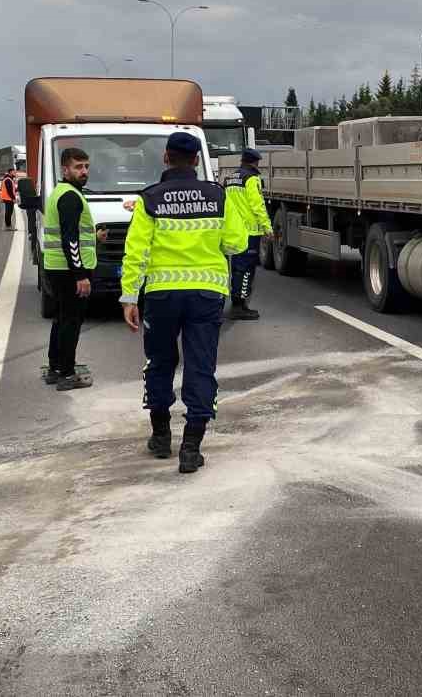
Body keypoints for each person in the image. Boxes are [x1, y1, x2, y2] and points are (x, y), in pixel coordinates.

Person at [120, 131, 248, 473]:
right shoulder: (218, 197)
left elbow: (136, 253)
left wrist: (129, 296)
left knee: (160, 361)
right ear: (195, 160)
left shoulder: (150, 199)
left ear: (166, 157)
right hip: (206, 294)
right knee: (200, 365)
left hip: (161, 295)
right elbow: (236, 244)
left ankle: (161, 436)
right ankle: (191, 448)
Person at [41, 148, 96, 391]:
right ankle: (67, 372)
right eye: (78, 167)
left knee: (62, 318)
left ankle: (55, 367)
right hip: (68, 270)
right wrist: (81, 275)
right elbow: (70, 239)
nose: (84, 171)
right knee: (71, 321)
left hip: (57, 267)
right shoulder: (71, 197)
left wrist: (96, 236)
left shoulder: (61, 192)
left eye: (86, 166)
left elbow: (74, 235)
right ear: (65, 170)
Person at [222, 147, 273, 321]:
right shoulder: (251, 178)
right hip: (250, 232)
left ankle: (238, 303)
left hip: (233, 232)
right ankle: (239, 306)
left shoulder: (229, 179)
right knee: (246, 270)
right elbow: (257, 205)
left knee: (236, 268)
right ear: (254, 162)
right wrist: (267, 227)